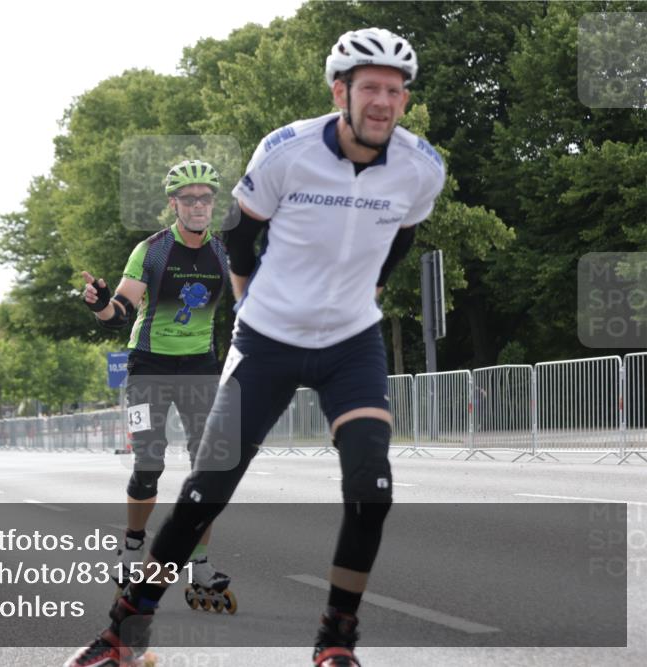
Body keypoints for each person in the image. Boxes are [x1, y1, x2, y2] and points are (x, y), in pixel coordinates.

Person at [67, 27, 445, 667]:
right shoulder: (286, 154)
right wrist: (245, 300)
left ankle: (336, 642)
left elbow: (405, 233)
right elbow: (241, 237)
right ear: (340, 92)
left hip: (351, 343)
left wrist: (370, 288)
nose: (384, 101)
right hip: (260, 342)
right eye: (370, 88)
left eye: (396, 90)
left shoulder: (421, 166)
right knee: (201, 491)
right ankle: (124, 634)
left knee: (372, 487)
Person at [79, 159, 232, 611]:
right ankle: (132, 544)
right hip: (148, 369)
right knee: (149, 463)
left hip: (200, 369)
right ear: (174, 204)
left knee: (210, 469)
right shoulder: (152, 251)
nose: (199, 205)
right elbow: (122, 310)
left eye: (205, 198)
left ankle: (199, 560)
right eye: (189, 199)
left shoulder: (223, 253)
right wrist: (102, 305)